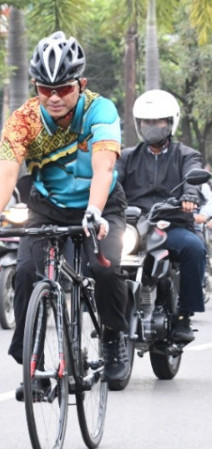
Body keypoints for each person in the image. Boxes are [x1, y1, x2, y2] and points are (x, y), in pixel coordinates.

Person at [0, 31, 129, 390]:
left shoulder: (99, 110)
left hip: (99, 205)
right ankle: (35, 362)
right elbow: (7, 172)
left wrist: (94, 209)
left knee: (104, 268)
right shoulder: (22, 120)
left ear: (81, 84)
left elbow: (103, 167)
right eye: (45, 89)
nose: (54, 97)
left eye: (64, 88)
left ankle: (113, 338)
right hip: (47, 207)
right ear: (35, 86)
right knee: (26, 271)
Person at [116, 89, 207, 343]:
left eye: (158, 122)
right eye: (146, 122)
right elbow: (112, 182)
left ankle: (183, 316)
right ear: (138, 124)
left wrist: (189, 196)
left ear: (170, 122)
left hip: (171, 224)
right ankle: (108, 319)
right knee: (99, 253)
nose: (152, 127)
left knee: (194, 249)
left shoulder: (186, 155)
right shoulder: (126, 156)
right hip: (134, 227)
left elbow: (194, 174)